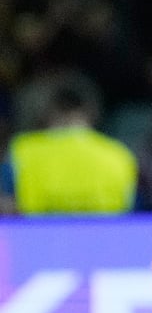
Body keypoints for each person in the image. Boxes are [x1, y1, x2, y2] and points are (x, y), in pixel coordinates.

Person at [1, 70, 137, 215]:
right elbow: (134, 212)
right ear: (92, 112)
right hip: (105, 236)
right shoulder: (120, 154)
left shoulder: (22, 149)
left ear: (49, 112)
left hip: (39, 236)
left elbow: (6, 205)